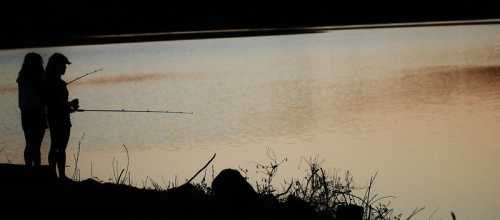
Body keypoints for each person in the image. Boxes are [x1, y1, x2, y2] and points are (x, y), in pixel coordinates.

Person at [45, 53, 79, 181]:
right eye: (64, 65)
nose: (65, 67)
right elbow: (56, 103)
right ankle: (59, 176)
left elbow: (59, 104)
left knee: (58, 147)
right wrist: (70, 104)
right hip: (59, 119)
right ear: (57, 66)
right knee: (58, 147)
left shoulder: (53, 82)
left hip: (60, 118)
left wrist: (70, 107)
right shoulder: (54, 83)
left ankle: (57, 175)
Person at [17, 52, 47, 169]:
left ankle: (30, 168)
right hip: (36, 114)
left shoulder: (22, 78)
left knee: (30, 144)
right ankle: (35, 169)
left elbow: (21, 101)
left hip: (26, 114)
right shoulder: (38, 78)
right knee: (35, 145)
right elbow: (43, 97)